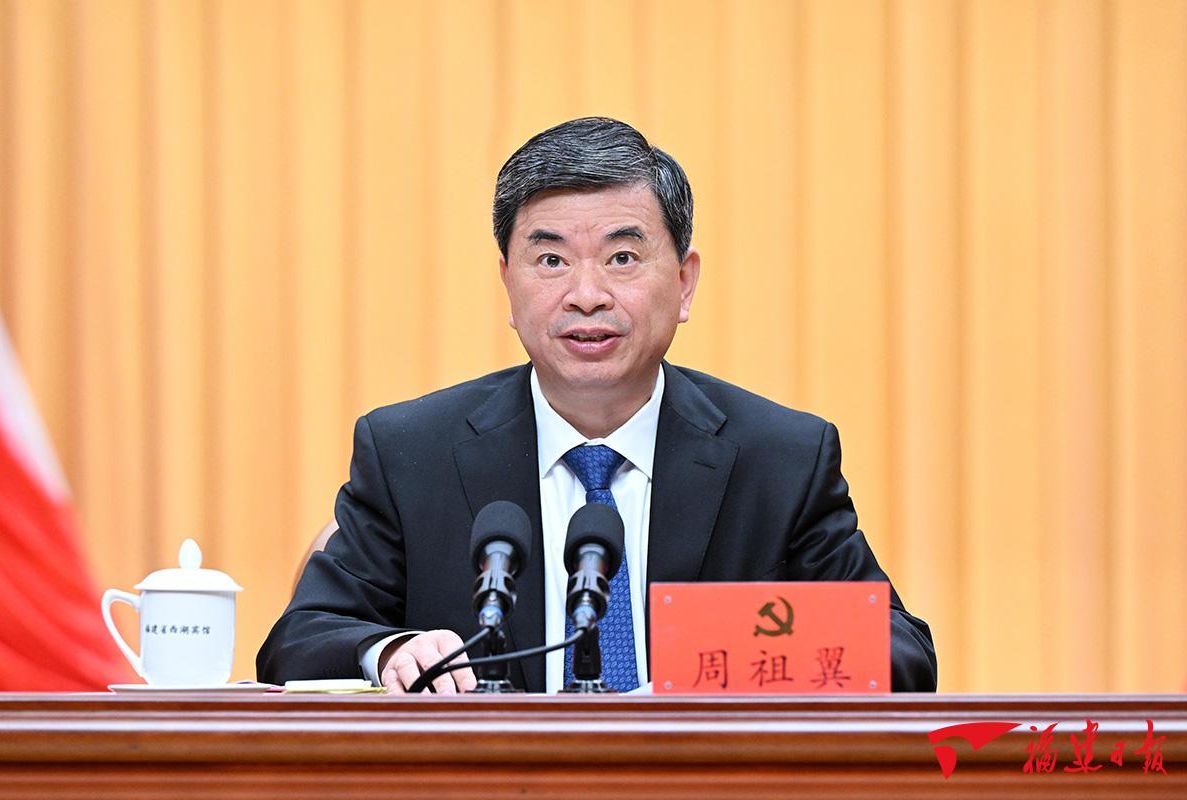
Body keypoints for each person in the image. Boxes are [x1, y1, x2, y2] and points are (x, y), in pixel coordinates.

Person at [257, 117, 937, 694]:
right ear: (508, 284)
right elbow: (299, 640)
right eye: (551, 262)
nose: (587, 295)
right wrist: (390, 651)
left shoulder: (780, 459)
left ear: (685, 282)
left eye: (622, 258)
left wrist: (740, 661)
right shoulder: (412, 453)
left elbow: (903, 654)